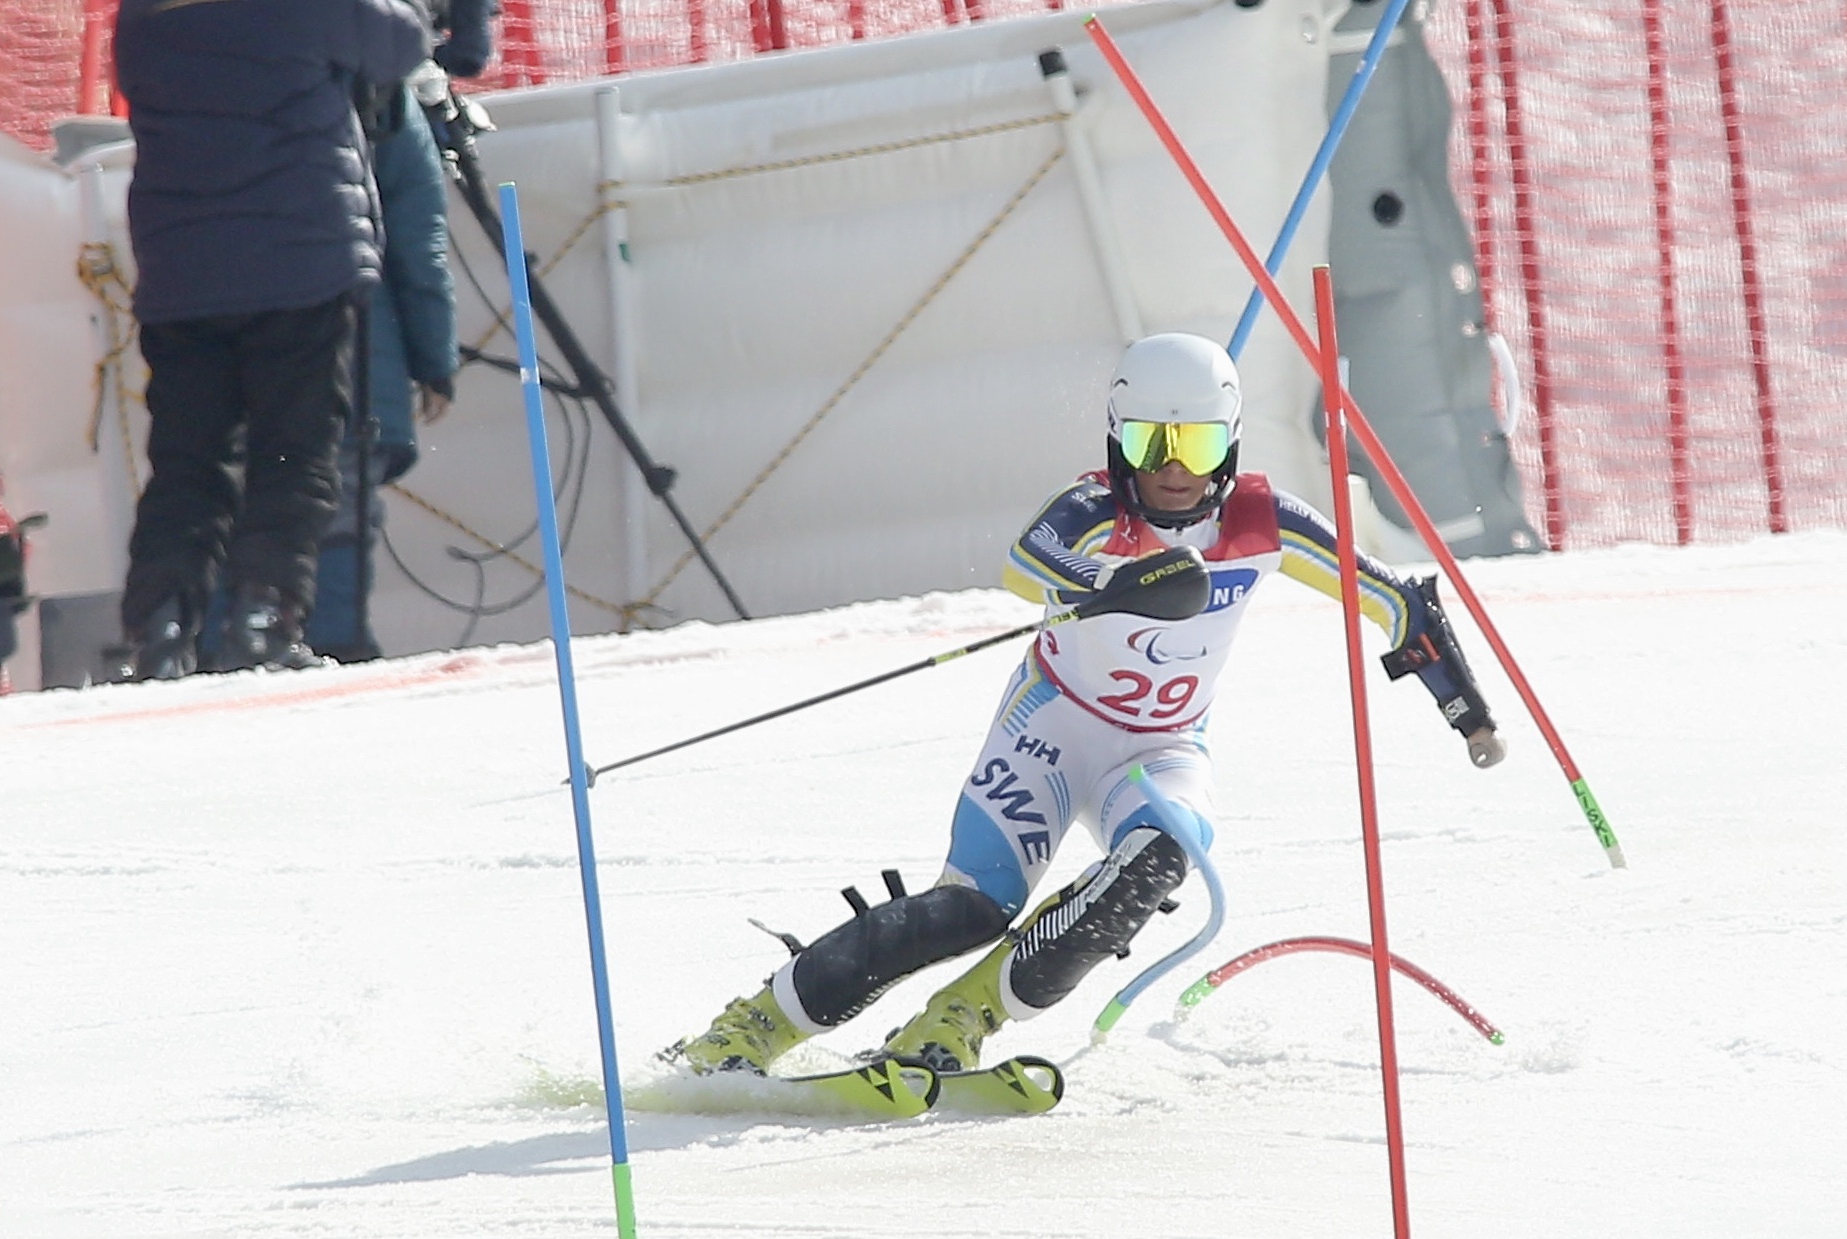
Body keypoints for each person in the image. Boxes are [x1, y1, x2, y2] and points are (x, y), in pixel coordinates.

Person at [665, 333, 1505, 1076]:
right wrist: (1111, 582)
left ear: (1230, 441)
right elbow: (1024, 562)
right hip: (1049, 731)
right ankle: (753, 1027)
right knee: (972, 909)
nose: (1173, 469)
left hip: (1162, 747)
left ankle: (956, 1022)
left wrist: (1466, 714)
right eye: (1150, 442)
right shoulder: (1094, 514)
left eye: (1197, 443)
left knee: (1160, 859)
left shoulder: (1266, 523)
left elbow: (1399, 606)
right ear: (1118, 441)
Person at [112, 0, 431, 680]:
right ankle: (263, 619)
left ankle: (162, 629)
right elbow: (402, 43)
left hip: (182, 272)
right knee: (294, 453)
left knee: (187, 460)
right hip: (299, 263)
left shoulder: (142, 17)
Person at [302, 59, 460, 663]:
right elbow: (420, 246)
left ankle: (231, 642)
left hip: (231, 345)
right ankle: (337, 642)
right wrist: (434, 359)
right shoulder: (386, 97)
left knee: (247, 498)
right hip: (360, 351)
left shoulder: (227, 74)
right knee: (340, 502)